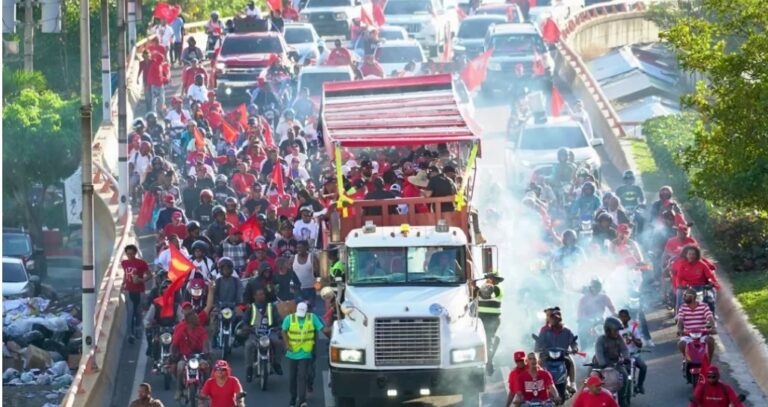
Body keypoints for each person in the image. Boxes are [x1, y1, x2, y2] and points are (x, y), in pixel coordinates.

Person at [282, 302, 331, 407]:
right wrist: (286, 344)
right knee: (292, 377)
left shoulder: (312, 318)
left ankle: (302, 401)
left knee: (302, 376)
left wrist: (333, 332)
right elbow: (284, 331)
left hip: (305, 352)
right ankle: (293, 398)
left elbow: (323, 329)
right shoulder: (289, 319)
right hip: (292, 352)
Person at [241, 287, 284, 382]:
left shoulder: (271, 307)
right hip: (255, 332)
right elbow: (245, 320)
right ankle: (249, 369)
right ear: (254, 296)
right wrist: (245, 327)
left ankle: (277, 364)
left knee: (278, 343)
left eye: (263, 294)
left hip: (269, 331)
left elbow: (278, 319)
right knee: (248, 345)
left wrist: (280, 326)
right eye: (259, 294)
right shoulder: (251, 307)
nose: (261, 296)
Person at [535, 308, 578, 392]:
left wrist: (574, 348)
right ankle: (537, 383)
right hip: (547, 355)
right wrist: (539, 348)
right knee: (538, 364)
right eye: (552, 318)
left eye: (555, 318)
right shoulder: (544, 331)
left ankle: (572, 383)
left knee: (571, 362)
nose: (553, 320)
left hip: (563, 355)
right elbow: (539, 343)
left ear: (559, 319)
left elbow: (573, 342)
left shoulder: (567, 331)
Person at [172, 312, 210, 400]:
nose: (197, 320)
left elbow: (205, 342)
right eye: (195, 319)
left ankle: (206, 389)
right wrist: (173, 354)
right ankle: (179, 390)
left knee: (206, 367)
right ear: (189, 321)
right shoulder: (181, 331)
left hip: (198, 357)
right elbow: (174, 345)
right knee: (180, 367)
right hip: (185, 357)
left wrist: (206, 351)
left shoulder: (201, 330)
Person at [122, 244, 152, 344]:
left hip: (139, 291)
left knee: (138, 311)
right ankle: (130, 334)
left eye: (132, 253)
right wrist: (123, 284)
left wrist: (141, 280)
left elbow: (149, 275)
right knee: (130, 312)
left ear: (135, 253)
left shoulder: (141, 263)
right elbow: (125, 275)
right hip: (128, 290)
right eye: (128, 253)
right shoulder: (124, 263)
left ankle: (138, 328)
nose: (130, 255)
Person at [677, 287, 716, 362]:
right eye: (683, 295)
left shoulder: (704, 306)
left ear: (693, 297)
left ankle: (708, 361)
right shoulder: (682, 308)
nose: (683, 297)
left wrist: (713, 327)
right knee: (681, 344)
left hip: (702, 334)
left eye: (686, 295)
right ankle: (687, 359)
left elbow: (710, 317)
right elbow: (680, 321)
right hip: (688, 335)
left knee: (710, 340)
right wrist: (679, 329)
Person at [617, 309, 647, 394]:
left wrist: (633, 338)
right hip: (622, 356)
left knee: (643, 367)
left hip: (634, 355)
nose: (622, 319)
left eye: (624, 317)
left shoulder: (633, 329)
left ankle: (640, 385)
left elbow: (640, 344)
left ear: (628, 318)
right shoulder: (616, 331)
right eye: (621, 317)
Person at [290, 240, 319, 305]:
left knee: (310, 308)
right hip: (298, 290)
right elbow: (290, 275)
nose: (298, 249)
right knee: (299, 308)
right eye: (297, 248)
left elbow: (318, 275)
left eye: (300, 247)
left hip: (310, 289)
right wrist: (291, 286)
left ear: (306, 248)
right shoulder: (292, 259)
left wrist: (317, 287)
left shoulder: (312, 258)